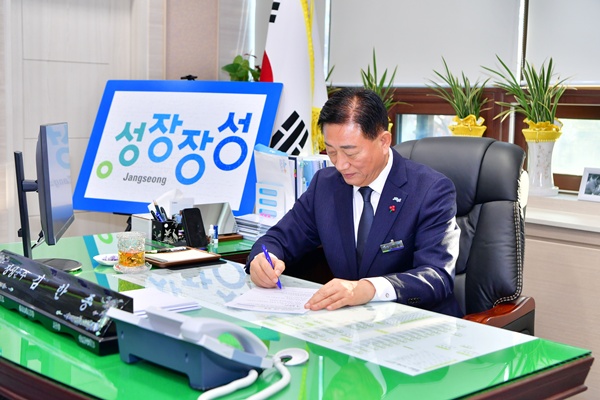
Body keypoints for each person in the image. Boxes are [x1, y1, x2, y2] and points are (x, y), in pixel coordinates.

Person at [246, 87, 463, 317]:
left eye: (350, 153)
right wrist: (263, 260)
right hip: (351, 323)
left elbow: (436, 276)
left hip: (419, 323)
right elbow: (278, 239)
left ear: (384, 141)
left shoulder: (430, 190)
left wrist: (368, 289)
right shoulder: (325, 185)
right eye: (331, 152)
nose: (340, 165)